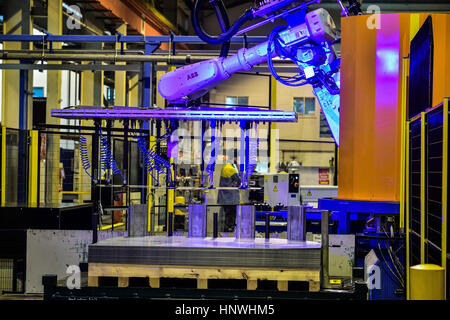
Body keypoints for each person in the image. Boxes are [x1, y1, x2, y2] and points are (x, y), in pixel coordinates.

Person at [217, 159, 241, 232]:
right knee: (231, 219)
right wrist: (239, 167)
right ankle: (229, 232)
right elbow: (240, 180)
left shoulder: (224, 167)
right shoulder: (231, 169)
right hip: (231, 199)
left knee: (226, 218)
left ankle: (226, 231)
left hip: (224, 198)